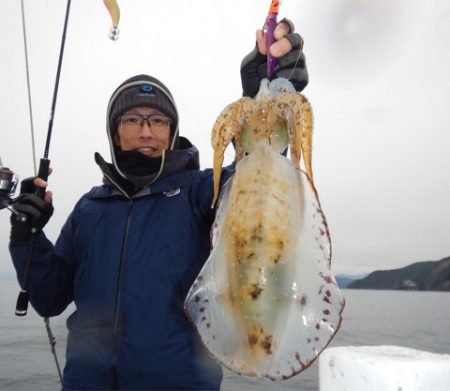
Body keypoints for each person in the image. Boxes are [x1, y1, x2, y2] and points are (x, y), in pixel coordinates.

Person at [9, 20, 308, 391]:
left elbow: (257, 182)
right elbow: (49, 298)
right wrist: (27, 236)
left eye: (158, 121)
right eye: (133, 119)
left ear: (171, 130)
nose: (146, 131)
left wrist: (268, 100)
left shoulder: (202, 193)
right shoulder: (89, 208)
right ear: (114, 133)